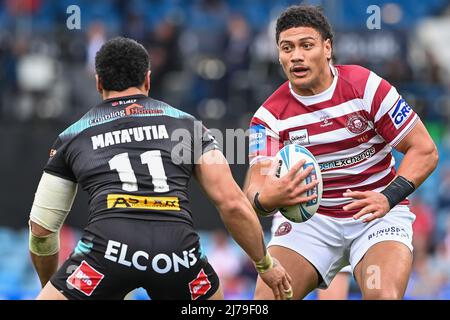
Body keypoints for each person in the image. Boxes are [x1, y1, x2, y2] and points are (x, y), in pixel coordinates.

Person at [28, 37, 292, 300]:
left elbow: (42, 230)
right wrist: (265, 265)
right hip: (179, 256)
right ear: (148, 80)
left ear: (98, 82)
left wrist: (51, 285)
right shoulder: (188, 126)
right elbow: (232, 203)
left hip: (106, 252)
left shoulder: (72, 136)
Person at [244, 5, 438, 300]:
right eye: (287, 48)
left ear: (327, 48)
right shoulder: (268, 119)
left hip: (375, 214)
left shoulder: (366, 88)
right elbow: (255, 187)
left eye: (306, 45)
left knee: (381, 295)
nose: (296, 55)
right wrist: (268, 199)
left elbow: (424, 150)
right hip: (310, 223)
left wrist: (388, 197)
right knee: (267, 300)